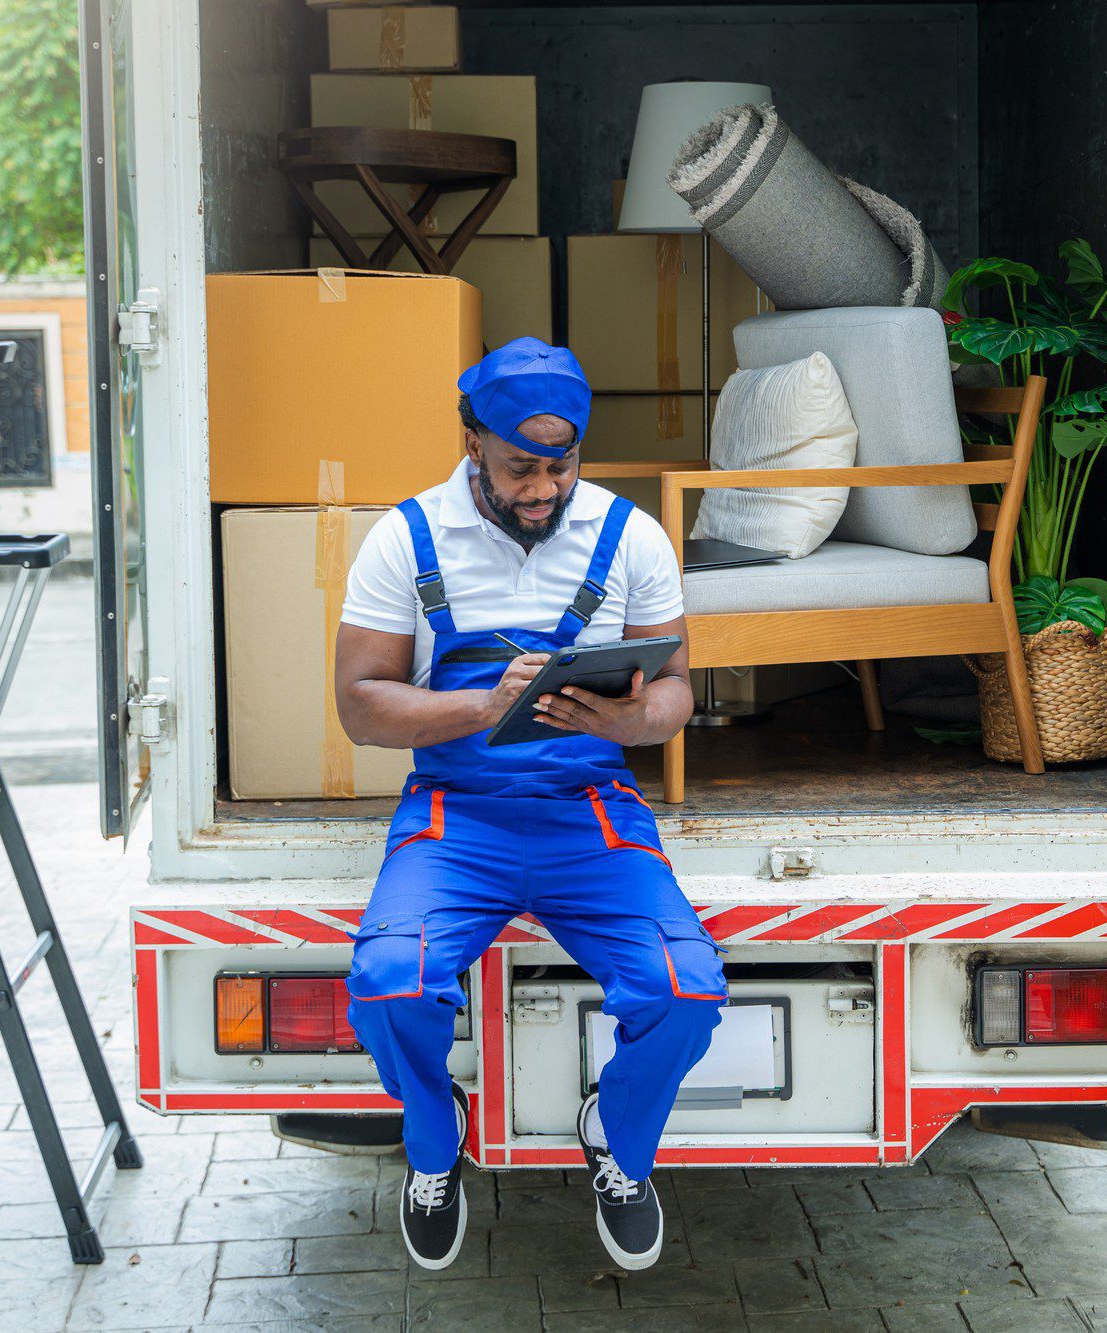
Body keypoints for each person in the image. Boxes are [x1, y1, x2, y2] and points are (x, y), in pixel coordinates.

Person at [333, 337, 726, 1272]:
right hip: (453, 814)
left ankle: (619, 1142)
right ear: (472, 441)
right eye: (521, 466)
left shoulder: (631, 536)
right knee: (388, 984)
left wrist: (634, 717)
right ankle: (436, 1143)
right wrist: (480, 704)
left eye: (562, 464)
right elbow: (359, 704)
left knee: (686, 993)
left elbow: (676, 688)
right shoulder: (405, 536)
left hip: (587, 809)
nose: (544, 486)